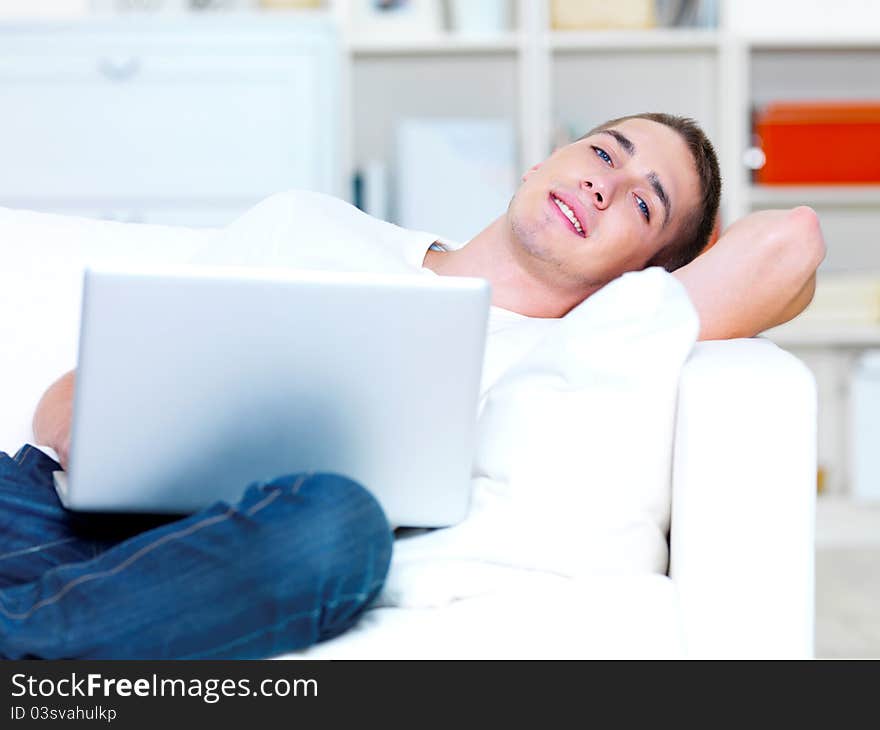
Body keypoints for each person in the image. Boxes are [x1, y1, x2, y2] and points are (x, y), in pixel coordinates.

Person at [0, 112, 825, 659]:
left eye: (643, 206)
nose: (604, 185)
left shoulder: (582, 353)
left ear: (643, 276)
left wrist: (663, 304)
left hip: (256, 555)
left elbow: (790, 245)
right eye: (604, 152)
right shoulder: (308, 223)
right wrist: (110, 432)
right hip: (63, 512)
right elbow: (69, 396)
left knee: (338, 524)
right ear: (547, 157)